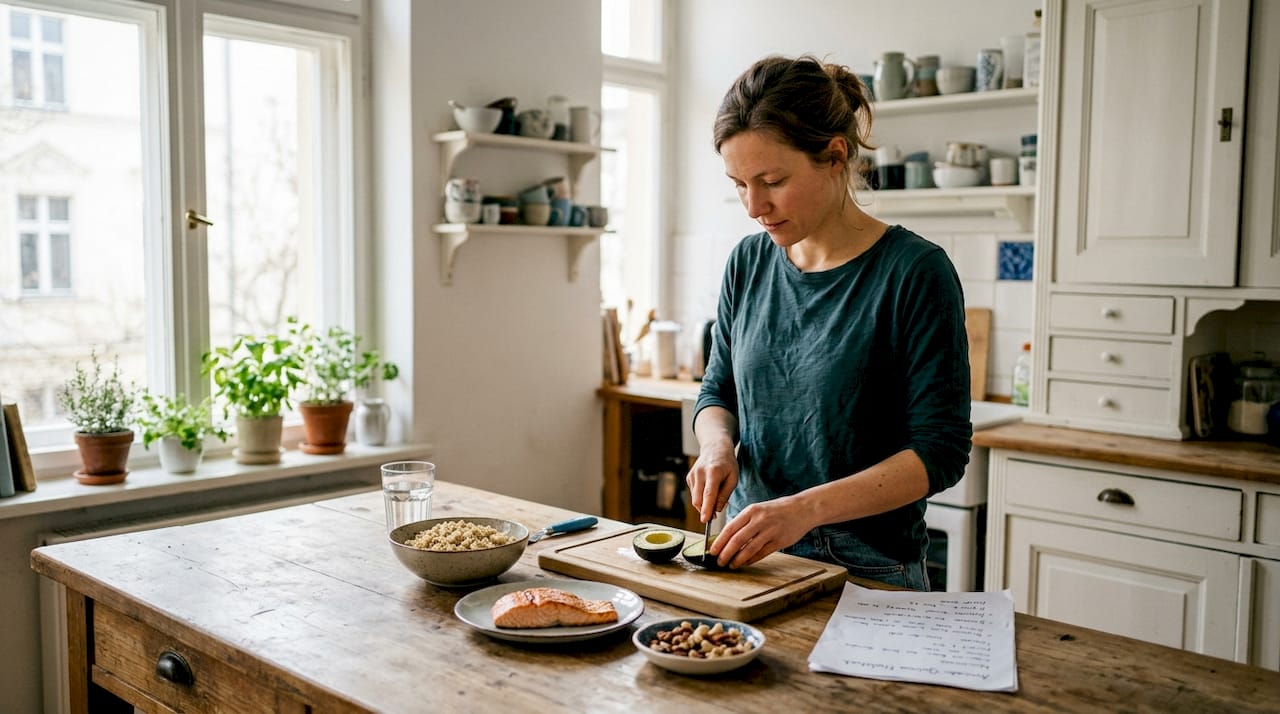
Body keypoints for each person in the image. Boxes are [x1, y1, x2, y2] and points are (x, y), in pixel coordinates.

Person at [687, 54, 972, 591]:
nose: (754, 205)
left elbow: (941, 450)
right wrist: (716, 446)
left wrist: (804, 510)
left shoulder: (914, 272)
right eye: (739, 183)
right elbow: (717, 391)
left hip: (869, 568)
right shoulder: (748, 263)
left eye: (772, 180)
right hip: (750, 557)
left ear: (835, 155)